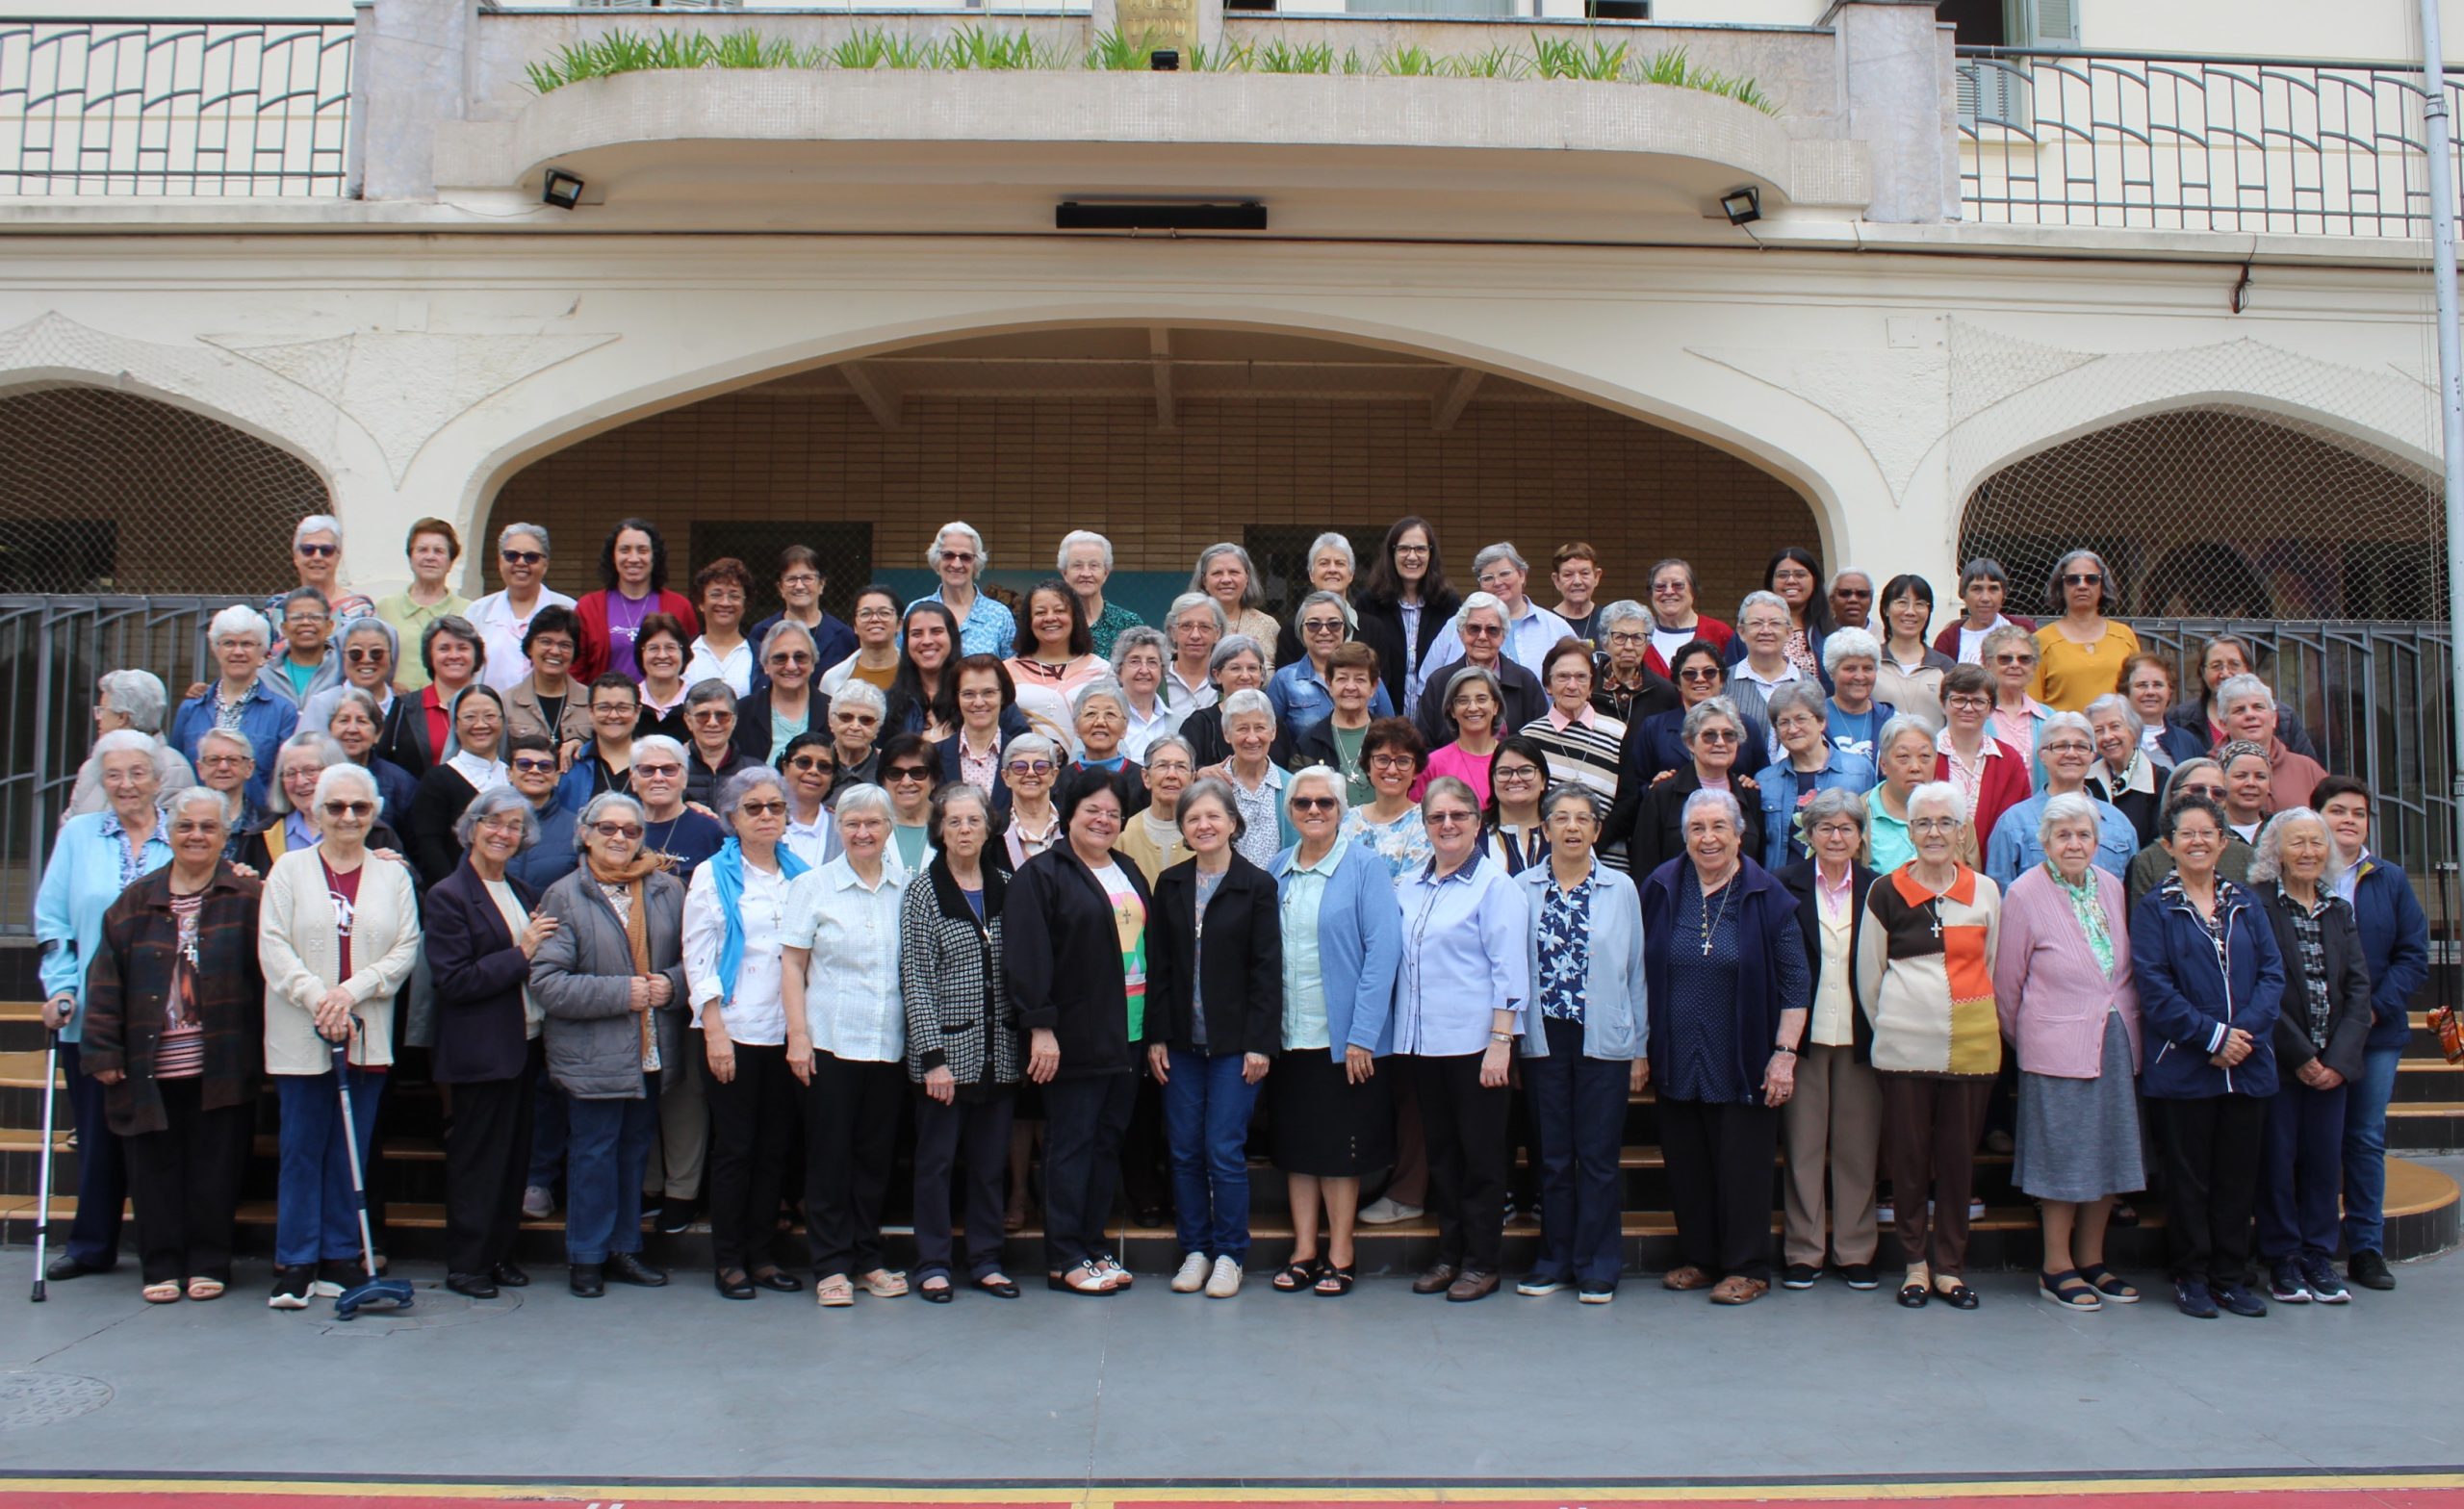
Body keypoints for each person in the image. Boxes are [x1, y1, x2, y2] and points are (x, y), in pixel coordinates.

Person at [76, 788, 260, 1303]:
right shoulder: (136, 900)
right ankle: (160, 1265)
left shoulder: (248, 898)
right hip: (148, 1065)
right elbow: (105, 979)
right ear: (169, 833)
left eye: (208, 828)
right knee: (153, 1172)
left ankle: (208, 1263)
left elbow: (264, 979)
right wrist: (104, 1054)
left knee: (215, 1171)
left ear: (226, 837)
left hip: (222, 1062)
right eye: (185, 827)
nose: (196, 836)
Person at [256, 763, 421, 1308]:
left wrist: (348, 993)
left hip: (365, 1027)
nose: (348, 817)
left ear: (374, 813)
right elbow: (273, 945)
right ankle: (297, 1261)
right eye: (336, 807)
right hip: (299, 1028)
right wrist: (317, 998)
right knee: (303, 1148)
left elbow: (405, 948)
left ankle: (342, 1258)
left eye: (360, 808)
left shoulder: (392, 874)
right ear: (314, 811)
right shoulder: (288, 870)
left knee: (350, 1149)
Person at [1641, 788, 1808, 1305]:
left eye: (1719, 827)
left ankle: (1748, 1266)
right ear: (1684, 836)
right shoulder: (1662, 886)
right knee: (1687, 1163)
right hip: (1678, 1050)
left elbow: (1797, 983)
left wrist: (1784, 1054)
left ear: (1740, 834)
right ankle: (1701, 1257)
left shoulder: (1767, 894)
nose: (1708, 838)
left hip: (1744, 1056)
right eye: (1697, 828)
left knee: (1743, 1167)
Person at [2130, 792, 2285, 1320]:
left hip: (2248, 1065)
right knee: (2189, 1179)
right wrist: (2212, 1037)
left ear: (2223, 842)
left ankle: (2229, 1275)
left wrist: (2242, 1036)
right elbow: (2154, 988)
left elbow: (2271, 976)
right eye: (2186, 834)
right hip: (2185, 1066)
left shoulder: (2247, 901)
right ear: (2168, 845)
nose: (2197, 842)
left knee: (2237, 1178)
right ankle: (2191, 1275)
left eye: (2207, 833)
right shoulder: (2156, 907)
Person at [1992, 791, 2146, 1312]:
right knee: (2062, 1159)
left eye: (2083, 835)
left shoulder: (2110, 886)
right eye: (2063, 835)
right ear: (2045, 843)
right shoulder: (2024, 893)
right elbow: (2006, 987)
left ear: (2097, 842)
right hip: (2054, 1045)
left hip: (2116, 1041)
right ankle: (2056, 1265)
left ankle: (2093, 1259)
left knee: (2109, 1154)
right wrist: (2037, 1035)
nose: (2074, 844)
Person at [528, 791, 684, 1296]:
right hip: (592, 1051)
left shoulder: (667, 890)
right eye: (608, 828)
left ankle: (624, 1249)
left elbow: (696, 958)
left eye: (631, 830)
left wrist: (671, 984)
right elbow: (548, 983)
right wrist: (626, 992)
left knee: (635, 1151)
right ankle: (587, 1257)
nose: (620, 838)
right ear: (586, 833)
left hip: (649, 1048)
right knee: (593, 1153)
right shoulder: (564, 895)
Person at [1856, 780, 2003, 1312]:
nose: (1934, 832)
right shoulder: (1884, 892)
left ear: (1962, 831)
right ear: (1909, 831)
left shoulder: (1986, 891)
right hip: (1903, 1049)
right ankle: (1915, 1265)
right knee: (1910, 1159)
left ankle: (1951, 1269)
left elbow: (1994, 965)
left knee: (1959, 1161)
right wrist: (1900, 1026)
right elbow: (1869, 980)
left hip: (1973, 1045)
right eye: (1923, 823)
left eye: (1945, 823)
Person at [34, 730, 174, 1286]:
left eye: (137, 773)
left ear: (159, 780)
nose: (126, 785)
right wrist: (59, 986)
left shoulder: (180, 834)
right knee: (95, 1132)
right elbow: (53, 920)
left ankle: (161, 1243)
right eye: (113, 775)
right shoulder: (78, 835)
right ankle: (91, 1242)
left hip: (166, 1016)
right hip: (92, 1011)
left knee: (161, 1134)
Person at [1006, 769, 1151, 1295]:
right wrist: (1040, 1028)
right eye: (1093, 810)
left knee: (1107, 1142)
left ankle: (1092, 1246)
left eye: (1113, 812)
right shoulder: (1042, 875)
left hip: (1129, 1032)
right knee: (1071, 1144)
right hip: (1074, 1036)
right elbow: (1026, 957)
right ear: (1069, 814)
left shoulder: (1129, 869)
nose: (1103, 819)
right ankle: (1063, 1254)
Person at [1394, 776, 1532, 1302]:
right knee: (1444, 1158)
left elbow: (1509, 970)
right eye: (1436, 817)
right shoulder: (1410, 883)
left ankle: (1482, 1261)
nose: (1447, 825)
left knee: (1481, 1159)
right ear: (1424, 824)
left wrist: (1502, 1041)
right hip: (1424, 1045)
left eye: (1458, 816)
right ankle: (1449, 1255)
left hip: (1477, 1046)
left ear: (1478, 823)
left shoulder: (1496, 887)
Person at [1144, 778, 1283, 1299]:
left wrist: (1259, 1042)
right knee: (1182, 1150)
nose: (1203, 825)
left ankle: (1230, 1254)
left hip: (1234, 1046)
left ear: (1232, 823)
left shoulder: (1257, 885)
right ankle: (1195, 1250)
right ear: (1182, 828)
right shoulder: (1172, 883)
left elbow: (1267, 971)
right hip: (1180, 1043)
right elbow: (1160, 967)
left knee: (1222, 1149)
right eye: (1192, 818)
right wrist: (1156, 1036)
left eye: (1212, 816)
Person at [1267, 767, 1402, 1296]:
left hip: (1344, 1040)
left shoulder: (1366, 868)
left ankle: (1340, 1252)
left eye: (1326, 803)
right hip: (1289, 1035)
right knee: (1298, 1149)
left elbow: (1383, 955)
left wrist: (1363, 1035)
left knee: (1339, 1153)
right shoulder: (1278, 868)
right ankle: (1303, 1249)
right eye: (1303, 803)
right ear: (1290, 811)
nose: (1315, 811)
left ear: (1342, 810)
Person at [779, 780, 911, 1307]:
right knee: (830, 1157)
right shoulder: (814, 887)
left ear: (888, 830)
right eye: (853, 823)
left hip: (888, 1043)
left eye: (873, 824)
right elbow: (792, 963)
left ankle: (867, 1258)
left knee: (875, 1158)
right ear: (840, 829)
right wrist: (798, 1036)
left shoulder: (908, 887)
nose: (863, 832)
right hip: (830, 1041)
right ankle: (830, 1265)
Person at [1513, 785, 1646, 1304]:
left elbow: (1635, 972)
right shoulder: (1522, 887)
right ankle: (1554, 1258)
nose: (1571, 828)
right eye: (1560, 818)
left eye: (1582, 819)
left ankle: (1599, 1263)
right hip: (1545, 1037)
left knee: (1597, 1156)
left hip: (1604, 1038)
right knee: (1551, 1155)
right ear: (1543, 829)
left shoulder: (1621, 888)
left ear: (1595, 830)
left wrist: (1640, 1047)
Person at [424, 785, 558, 1299]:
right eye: (494, 823)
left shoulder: (521, 891)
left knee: (512, 1160)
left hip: (523, 1045)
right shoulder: (448, 895)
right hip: (479, 1052)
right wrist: (522, 952)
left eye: (515, 826)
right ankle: (467, 1265)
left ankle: (500, 1254)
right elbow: (454, 981)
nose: (504, 833)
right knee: (478, 1163)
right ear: (472, 828)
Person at [683, 765, 810, 1300]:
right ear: (732, 818)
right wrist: (713, 1029)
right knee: (736, 1148)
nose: (765, 816)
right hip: (733, 1029)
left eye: (774, 807)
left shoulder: (802, 874)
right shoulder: (713, 875)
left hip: (788, 1031)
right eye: (753, 808)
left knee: (775, 1148)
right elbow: (698, 954)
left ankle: (762, 1256)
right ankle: (729, 1260)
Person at [899, 782, 1023, 1300]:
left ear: (989, 826)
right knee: (936, 1164)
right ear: (940, 831)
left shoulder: (1006, 883)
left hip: (1001, 1053)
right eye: (954, 822)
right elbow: (916, 978)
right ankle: (932, 1262)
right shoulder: (924, 892)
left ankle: (987, 1259)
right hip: (946, 1057)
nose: (965, 830)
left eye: (974, 821)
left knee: (990, 1164)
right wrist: (932, 1059)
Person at [2252, 807, 2374, 1306]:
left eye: (2316, 843)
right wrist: (2301, 1055)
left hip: (2333, 1065)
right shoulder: (2256, 904)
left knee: (2325, 1163)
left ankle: (2319, 1257)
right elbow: (2260, 986)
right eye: (2296, 843)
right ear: (2275, 851)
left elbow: (2358, 989)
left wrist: (2338, 1060)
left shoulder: (2338, 909)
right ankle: (2283, 1258)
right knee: (2277, 1161)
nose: (2307, 852)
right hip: (2281, 1063)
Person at [2314, 776, 2429, 1292]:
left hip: (2377, 1034)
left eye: (2358, 813)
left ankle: (2366, 1247)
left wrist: (2373, 1010)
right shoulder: (2302, 875)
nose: (2348, 821)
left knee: (2363, 1139)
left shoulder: (2390, 878)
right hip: (2315, 1032)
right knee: (2314, 1141)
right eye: (2338, 811)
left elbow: (2412, 955)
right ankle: (2308, 1246)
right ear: (2317, 816)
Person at [1775, 788, 1881, 1291]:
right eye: (1825, 828)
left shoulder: (1880, 889)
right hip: (1806, 1038)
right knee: (1803, 1147)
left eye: (1846, 828)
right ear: (1809, 835)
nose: (1836, 837)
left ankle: (1856, 1249)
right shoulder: (1783, 886)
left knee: (1858, 1148)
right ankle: (1803, 1250)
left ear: (1861, 837)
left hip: (1863, 1036)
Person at [1607, 641, 1769, 839]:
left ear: (1722, 680)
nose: (1700, 679)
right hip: (1669, 833)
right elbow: (1634, 785)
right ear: (1677, 682)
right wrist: (1652, 789)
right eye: (1690, 673)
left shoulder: (1746, 725)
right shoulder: (1654, 727)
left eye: (1709, 672)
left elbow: (1764, 777)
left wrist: (1753, 784)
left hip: (1734, 834)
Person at [1985, 712, 2139, 888]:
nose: (2071, 754)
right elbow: (2000, 900)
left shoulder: (2119, 824)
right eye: (2060, 746)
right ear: (2042, 755)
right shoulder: (2013, 823)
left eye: (2081, 746)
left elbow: (2132, 900)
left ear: (2093, 755)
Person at [169, 603, 299, 808]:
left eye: (247, 644)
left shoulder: (283, 712)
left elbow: (287, 777)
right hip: (199, 827)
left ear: (263, 653)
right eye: (229, 643)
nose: (238, 651)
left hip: (258, 829)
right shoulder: (191, 710)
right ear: (215, 649)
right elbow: (176, 771)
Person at [1625, 698, 1765, 879]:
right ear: (1690, 743)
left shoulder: (1750, 796)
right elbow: (1644, 865)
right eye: (1710, 735)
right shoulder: (1663, 794)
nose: (1720, 742)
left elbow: (1759, 865)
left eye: (1729, 735)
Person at [1758, 681, 1875, 870]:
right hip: (1783, 890)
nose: (1793, 729)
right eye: (1784, 722)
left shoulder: (1859, 771)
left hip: (1844, 884)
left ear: (1821, 722)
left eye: (1800, 719)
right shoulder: (1766, 781)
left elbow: (1871, 836)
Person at [1353, 515, 1461, 719]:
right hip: (1381, 718)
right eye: (1403, 549)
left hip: (1437, 718)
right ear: (1391, 553)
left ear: (1431, 554)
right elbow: (1362, 662)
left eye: (1420, 549)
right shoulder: (1369, 603)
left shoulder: (1449, 604)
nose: (1412, 556)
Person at [404, 684, 508, 888]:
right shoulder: (437, 780)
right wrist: (457, 894)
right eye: (470, 717)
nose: (480, 724)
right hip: (459, 897)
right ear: (456, 724)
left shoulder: (514, 776)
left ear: (503, 722)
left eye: (490, 716)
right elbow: (429, 847)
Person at [575, 518, 700, 685]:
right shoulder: (589, 607)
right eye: (625, 550)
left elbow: (691, 665)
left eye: (642, 550)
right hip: (608, 708)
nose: (633, 558)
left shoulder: (680, 607)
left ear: (654, 557)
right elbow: (575, 670)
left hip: (663, 709)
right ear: (613, 556)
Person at [1422, 544, 1576, 679]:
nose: (1497, 583)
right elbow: (1426, 683)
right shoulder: (1455, 626)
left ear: (1522, 575)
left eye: (1504, 574)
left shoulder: (1556, 628)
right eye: (1488, 578)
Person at [1413, 593, 1547, 750]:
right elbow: (1423, 748)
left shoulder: (1526, 682)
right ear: (1461, 633)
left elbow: (1540, 746)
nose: (1482, 637)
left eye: (1492, 630)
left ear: (1503, 635)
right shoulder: (1438, 683)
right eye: (1474, 629)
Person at [65, 670, 196, 820]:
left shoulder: (173, 768)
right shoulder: (91, 766)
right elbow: (68, 825)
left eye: (102, 711)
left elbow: (165, 834)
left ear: (123, 717)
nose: (98, 719)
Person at [2125, 759, 2251, 911]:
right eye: (2197, 789)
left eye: (2218, 792)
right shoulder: (2148, 861)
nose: (2208, 797)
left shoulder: (2246, 856)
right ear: (2173, 793)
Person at [2170, 634, 2320, 758]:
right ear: (2203, 672)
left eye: (2234, 665)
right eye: (2216, 666)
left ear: (2248, 669)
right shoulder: (2181, 719)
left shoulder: (2284, 716)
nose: (2225, 673)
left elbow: (2307, 766)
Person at [470, 522, 577, 695]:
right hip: (491, 716)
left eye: (531, 557)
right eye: (511, 556)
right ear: (499, 560)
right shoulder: (477, 612)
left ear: (545, 564)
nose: (521, 562)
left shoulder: (569, 609)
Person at [1270, 590, 1397, 734]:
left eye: (1334, 624)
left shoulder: (1369, 677)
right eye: (1313, 624)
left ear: (1345, 629)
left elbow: (1390, 733)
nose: (1324, 631)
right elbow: (1272, 737)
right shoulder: (1284, 680)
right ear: (1301, 630)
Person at [1521, 638, 1625, 813]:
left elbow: (1627, 797)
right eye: (1563, 677)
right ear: (1548, 684)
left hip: (1607, 837)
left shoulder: (1619, 734)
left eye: (1581, 677)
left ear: (1592, 686)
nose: (1572, 686)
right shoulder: (1528, 738)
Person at [2028, 550, 2140, 713]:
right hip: (2064, 736)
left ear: (2102, 586)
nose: (2082, 586)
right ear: (2061, 586)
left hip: (2115, 736)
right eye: (2073, 580)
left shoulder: (2125, 636)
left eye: (2091, 579)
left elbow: (2138, 691)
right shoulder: (2041, 640)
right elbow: (2033, 705)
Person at [1006, 577, 1109, 753]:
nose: (1050, 618)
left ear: (1075, 617)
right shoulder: (1005, 671)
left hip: (1088, 773)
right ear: (1028, 620)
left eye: (1060, 610)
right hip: (1025, 772)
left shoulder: (1102, 670)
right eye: (1040, 612)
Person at [372, 518, 472, 689]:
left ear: (450, 563)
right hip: (398, 709)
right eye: (422, 550)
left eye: (439, 551)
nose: (430, 557)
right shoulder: (385, 608)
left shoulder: (469, 611)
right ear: (410, 558)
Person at [1870, 715, 1976, 874]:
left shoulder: (1956, 813)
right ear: (1883, 765)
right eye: (1903, 757)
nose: (1915, 767)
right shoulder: (1862, 813)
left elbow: (1973, 880)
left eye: (1925, 757)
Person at [746, 546, 857, 697]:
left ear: (822, 584)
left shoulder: (844, 636)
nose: (799, 586)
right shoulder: (762, 632)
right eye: (791, 579)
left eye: (807, 578)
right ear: (780, 588)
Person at [2214, 674, 2329, 815]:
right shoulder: (2210, 771)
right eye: (2239, 710)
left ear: (2274, 718)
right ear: (2223, 724)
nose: (2250, 715)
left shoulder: (2308, 770)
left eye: (2258, 707)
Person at [1290, 642, 1382, 806]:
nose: (1350, 687)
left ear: (1373, 687)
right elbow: (1299, 803)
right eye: (1342, 679)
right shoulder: (1309, 742)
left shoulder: (1391, 739)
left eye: (1360, 680)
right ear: (1329, 684)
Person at [936, 654, 1028, 809]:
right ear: (956, 698)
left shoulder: (1024, 756)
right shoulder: (934, 756)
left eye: (988, 692)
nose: (978, 702)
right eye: (968, 694)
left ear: (1003, 696)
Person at [1215, 688, 1295, 868]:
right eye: (1242, 728)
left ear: (1273, 732)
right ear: (1227, 734)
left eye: (1260, 728)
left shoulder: (1291, 786)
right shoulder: (1214, 789)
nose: (1252, 738)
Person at [914, 522, 1017, 657]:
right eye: (948, 555)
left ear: (976, 563)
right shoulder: (916, 610)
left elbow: (1011, 672)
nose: (956, 564)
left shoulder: (1000, 615)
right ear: (937, 559)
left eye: (965, 557)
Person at [1173, 634, 1276, 770]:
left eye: (1252, 668)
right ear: (1217, 675)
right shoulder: (1199, 725)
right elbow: (1183, 770)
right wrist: (1200, 773)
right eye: (1235, 668)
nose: (1245, 676)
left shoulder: (1275, 723)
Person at [629, 734, 727, 874]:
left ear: (685, 777)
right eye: (647, 770)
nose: (658, 778)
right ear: (633, 779)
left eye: (669, 769)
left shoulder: (712, 831)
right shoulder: (620, 829)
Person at [1723, 591, 1810, 743]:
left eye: (1775, 623)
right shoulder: (1723, 682)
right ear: (1741, 632)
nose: (1766, 631)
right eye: (1756, 623)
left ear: (1789, 632)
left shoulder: (1808, 683)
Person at [320, 690, 414, 829]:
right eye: (344, 720)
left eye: (362, 721)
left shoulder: (400, 783)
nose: (352, 729)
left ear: (378, 733)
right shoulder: (317, 776)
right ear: (330, 729)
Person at [733, 621, 823, 765]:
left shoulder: (833, 712)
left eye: (800, 657)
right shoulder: (742, 712)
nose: (791, 666)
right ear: (765, 665)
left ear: (813, 663)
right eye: (780, 658)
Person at [503, 605, 592, 752]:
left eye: (565, 645)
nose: (555, 651)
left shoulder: (591, 701)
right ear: (530, 647)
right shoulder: (507, 702)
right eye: (546, 642)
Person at [502, 732, 579, 893]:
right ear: (509, 773)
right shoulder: (488, 823)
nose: (535, 771)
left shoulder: (577, 829)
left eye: (545, 766)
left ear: (557, 777)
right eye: (525, 764)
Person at [1875, 574, 1954, 728]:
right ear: (1885, 609)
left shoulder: (1945, 666)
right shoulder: (1870, 662)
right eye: (1902, 602)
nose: (1910, 611)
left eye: (1920, 604)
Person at [270, 514, 375, 628]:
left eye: (326, 550)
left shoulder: (358, 609)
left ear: (338, 556)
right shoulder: (278, 607)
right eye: (308, 549)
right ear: (296, 557)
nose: (317, 557)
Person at [1421, 665, 1505, 807]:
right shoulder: (1434, 764)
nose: (1472, 708)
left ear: (1495, 706)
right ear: (1452, 710)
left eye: (1481, 699)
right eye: (1463, 701)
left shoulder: (1511, 759)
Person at [1271, 533, 1362, 665]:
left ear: (1351, 575)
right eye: (1324, 563)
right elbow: (1286, 683)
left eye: (1340, 563)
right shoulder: (1290, 631)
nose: (1332, 569)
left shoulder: (1375, 629)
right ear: (1311, 575)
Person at [554, 676, 641, 812]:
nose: (613, 715)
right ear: (590, 712)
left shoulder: (653, 763)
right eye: (604, 708)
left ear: (637, 712)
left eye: (623, 708)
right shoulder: (570, 764)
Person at [1058, 529, 1145, 660]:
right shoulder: (1053, 622)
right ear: (1064, 573)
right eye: (1077, 565)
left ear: (1106, 573)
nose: (1086, 573)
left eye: (1094, 565)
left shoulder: (1129, 623)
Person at [1118, 736, 1196, 883]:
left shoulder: (1203, 832)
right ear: (1146, 777)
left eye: (1181, 767)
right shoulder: (1124, 834)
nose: (1172, 775)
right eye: (1162, 766)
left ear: (1192, 779)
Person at [1191, 542, 1280, 668]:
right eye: (1217, 573)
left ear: (1247, 577)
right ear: (1204, 580)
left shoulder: (1267, 625)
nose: (1226, 580)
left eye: (1233, 572)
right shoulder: (1188, 625)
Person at [1590, 600, 1681, 726]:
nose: (1629, 646)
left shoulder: (1665, 693)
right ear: (1605, 643)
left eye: (1637, 637)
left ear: (1647, 644)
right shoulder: (1588, 687)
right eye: (1620, 637)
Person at [1932, 557, 2037, 664]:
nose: (1985, 598)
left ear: (2004, 594)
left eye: (1993, 589)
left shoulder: (2025, 629)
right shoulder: (1947, 640)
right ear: (1963, 594)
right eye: (1977, 589)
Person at [1642, 557, 1734, 678]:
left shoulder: (1719, 632)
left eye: (1678, 585)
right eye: (1660, 586)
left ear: (1693, 591)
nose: (1669, 591)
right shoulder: (1639, 636)